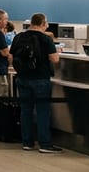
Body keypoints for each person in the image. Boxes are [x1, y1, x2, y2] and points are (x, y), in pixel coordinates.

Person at [11, 13, 62, 154]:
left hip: (22, 78)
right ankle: (45, 144)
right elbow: (55, 59)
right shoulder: (45, 39)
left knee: (25, 110)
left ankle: (27, 142)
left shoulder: (19, 37)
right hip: (40, 78)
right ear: (43, 23)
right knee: (42, 111)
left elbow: (11, 56)